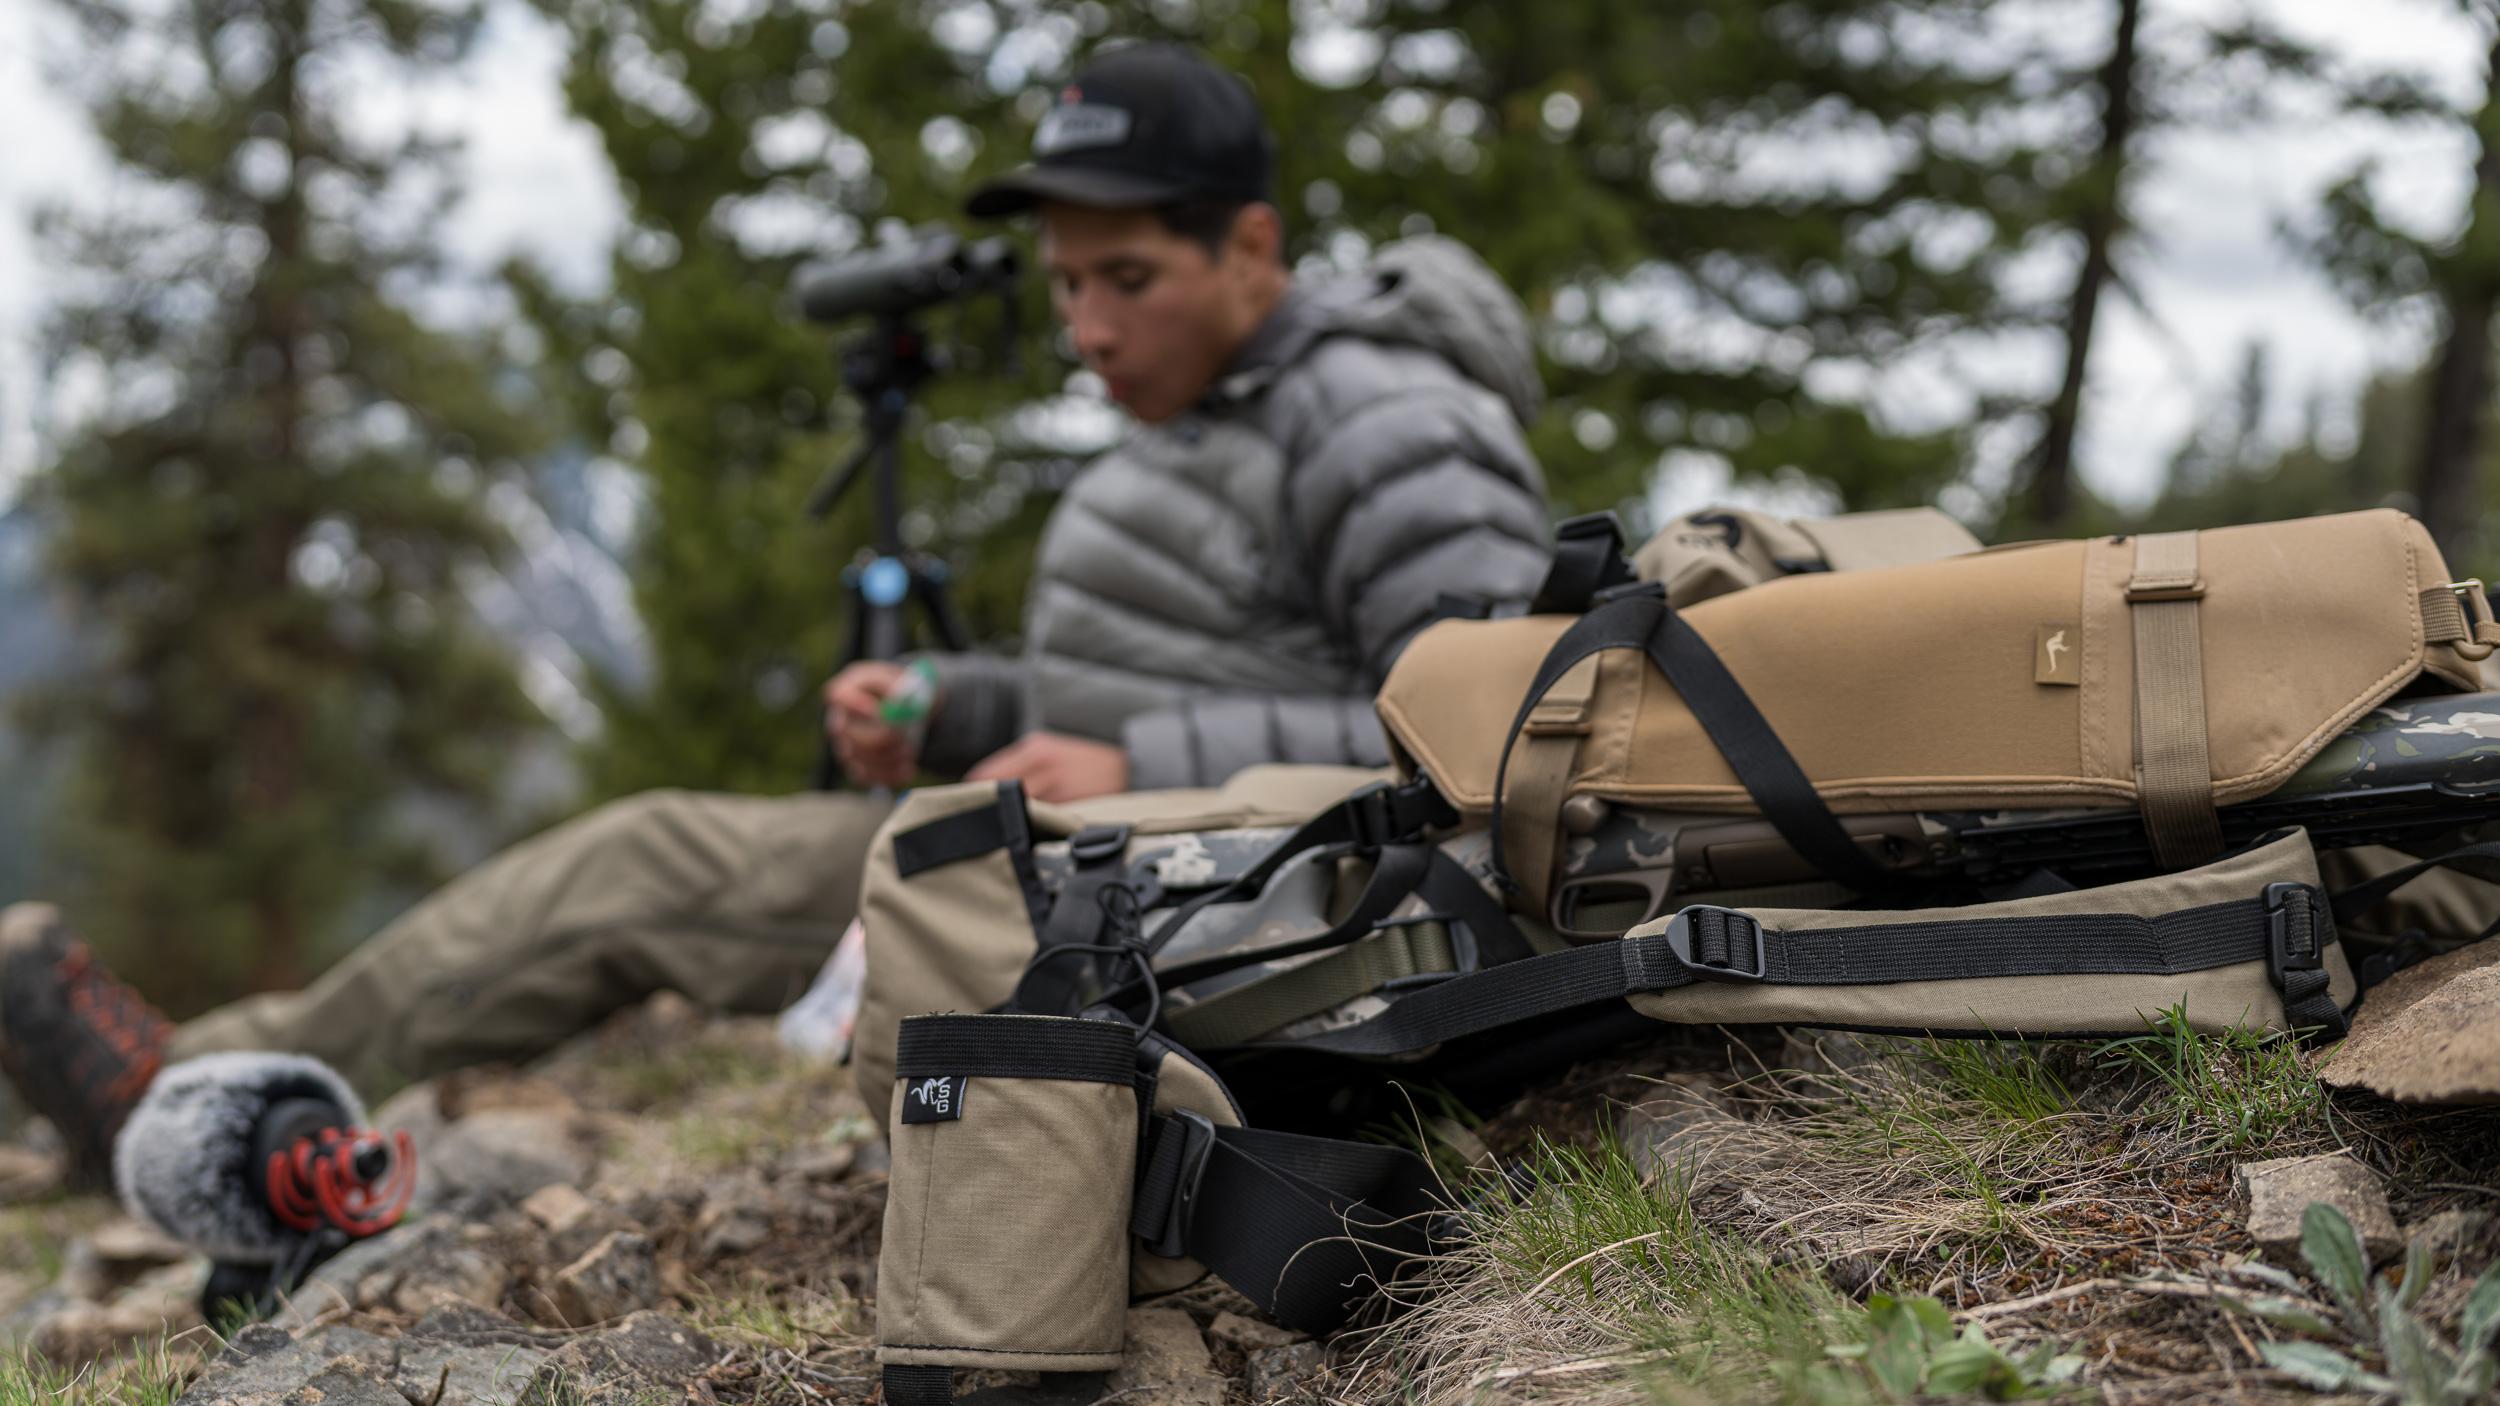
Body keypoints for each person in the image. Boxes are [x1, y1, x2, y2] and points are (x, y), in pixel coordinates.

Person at [0, 40, 1554, 1188]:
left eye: (1126, 278)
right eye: (1066, 283)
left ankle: (187, 1091)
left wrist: (1128, 755)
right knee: (655, 853)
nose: (1085, 328)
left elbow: (1511, 726)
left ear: (1254, 246)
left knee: (655, 862)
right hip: (1088, 839)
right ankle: (195, 1086)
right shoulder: (1213, 412)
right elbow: (1161, 670)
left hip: (1214, 876)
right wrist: (956, 707)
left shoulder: (1382, 417)